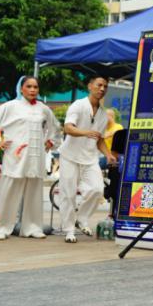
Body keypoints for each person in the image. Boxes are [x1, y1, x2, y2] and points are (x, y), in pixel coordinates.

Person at [0, 76, 59, 241]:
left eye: (35, 87)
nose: (33, 90)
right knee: (9, 191)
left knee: (34, 191)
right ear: (21, 89)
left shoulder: (43, 108)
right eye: (29, 86)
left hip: (36, 156)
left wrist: (50, 141)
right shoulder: (11, 106)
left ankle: (32, 227)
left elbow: (55, 126)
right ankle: (0, 228)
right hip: (15, 157)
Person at [58, 75, 115, 243]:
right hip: (69, 156)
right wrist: (86, 132)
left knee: (98, 190)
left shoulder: (104, 114)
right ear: (90, 86)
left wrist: (108, 154)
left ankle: (81, 218)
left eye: (105, 86)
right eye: (99, 85)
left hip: (90, 158)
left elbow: (100, 139)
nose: (102, 88)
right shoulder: (78, 105)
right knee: (68, 194)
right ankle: (68, 230)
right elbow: (68, 128)